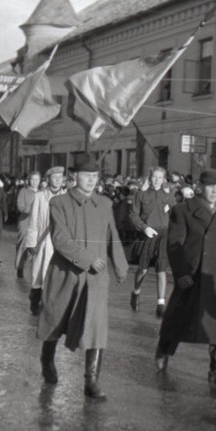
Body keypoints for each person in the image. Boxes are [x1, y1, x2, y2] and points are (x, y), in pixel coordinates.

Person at [36, 154, 128, 400]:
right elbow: (60, 240)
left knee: (96, 326)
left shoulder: (105, 203)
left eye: (95, 176)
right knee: (55, 320)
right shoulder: (59, 203)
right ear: (74, 177)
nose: (91, 180)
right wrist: (87, 259)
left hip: (96, 277)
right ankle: (47, 361)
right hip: (66, 274)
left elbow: (112, 235)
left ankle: (91, 380)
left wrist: (120, 265)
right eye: (86, 175)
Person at [154, 169, 216, 386]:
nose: (214, 191)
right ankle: (164, 349)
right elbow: (174, 245)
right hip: (192, 274)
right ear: (199, 187)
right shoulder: (182, 210)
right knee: (178, 318)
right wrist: (182, 273)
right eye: (210, 186)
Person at [128, 166, 176, 317]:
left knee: (161, 269)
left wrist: (170, 203)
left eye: (160, 178)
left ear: (164, 179)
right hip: (147, 233)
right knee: (142, 269)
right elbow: (133, 215)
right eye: (154, 177)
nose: (157, 180)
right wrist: (144, 228)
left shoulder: (168, 194)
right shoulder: (140, 194)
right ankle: (136, 292)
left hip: (164, 234)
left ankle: (160, 303)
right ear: (150, 177)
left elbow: (176, 214)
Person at [24, 167, 67, 315]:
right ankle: (35, 299)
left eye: (60, 178)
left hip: (61, 241)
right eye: (55, 178)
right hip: (43, 241)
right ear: (48, 179)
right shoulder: (40, 197)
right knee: (38, 271)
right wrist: (31, 243)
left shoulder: (67, 197)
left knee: (58, 273)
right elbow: (33, 221)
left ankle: (52, 303)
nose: (58, 181)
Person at [15, 171, 41, 278]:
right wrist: (28, 210)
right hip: (25, 220)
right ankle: (19, 267)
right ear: (28, 180)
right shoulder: (24, 191)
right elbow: (20, 205)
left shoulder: (42, 192)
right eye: (32, 179)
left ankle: (36, 268)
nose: (34, 182)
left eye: (37, 180)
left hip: (39, 221)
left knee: (37, 243)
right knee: (23, 244)